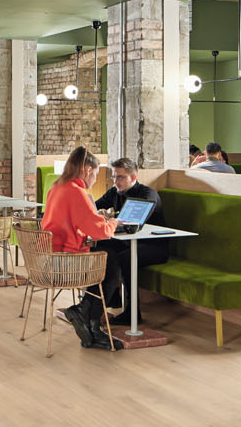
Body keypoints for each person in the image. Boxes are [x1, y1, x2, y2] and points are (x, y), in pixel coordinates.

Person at [41, 145, 122, 350]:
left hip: (48, 259)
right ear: (87, 170)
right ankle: (88, 317)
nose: (94, 179)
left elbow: (77, 221)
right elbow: (99, 232)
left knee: (107, 259)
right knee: (112, 263)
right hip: (66, 263)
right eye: (96, 174)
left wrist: (97, 220)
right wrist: (113, 223)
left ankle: (87, 319)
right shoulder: (76, 192)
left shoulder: (57, 187)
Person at [95, 157, 169, 313]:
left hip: (154, 246)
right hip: (129, 242)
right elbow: (93, 207)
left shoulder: (147, 195)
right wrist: (99, 215)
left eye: (120, 177)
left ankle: (132, 313)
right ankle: (110, 298)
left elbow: (132, 223)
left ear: (133, 177)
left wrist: (111, 219)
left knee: (125, 258)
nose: (116, 181)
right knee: (99, 245)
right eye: (114, 177)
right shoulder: (114, 192)